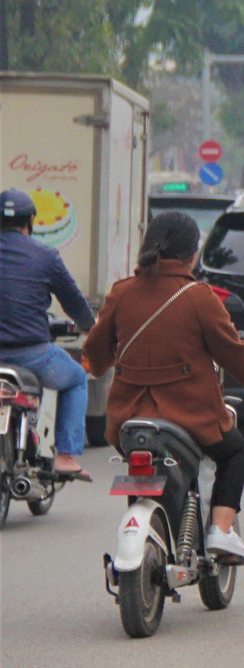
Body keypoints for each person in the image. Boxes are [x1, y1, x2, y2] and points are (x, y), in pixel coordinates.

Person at [84, 212, 244, 561]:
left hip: (128, 420)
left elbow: (95, 358)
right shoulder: (200, 298)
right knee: (233, 451)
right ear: (192, 255)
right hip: (189, 418)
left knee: (140, 466)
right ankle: (221, 531)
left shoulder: (122, 293)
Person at [0, 189, 99, 478]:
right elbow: (73, 302)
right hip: (32, 355)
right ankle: (65, 456)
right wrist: (89, 327)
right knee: (77, 378)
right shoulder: (46, 256)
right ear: (31, 220)